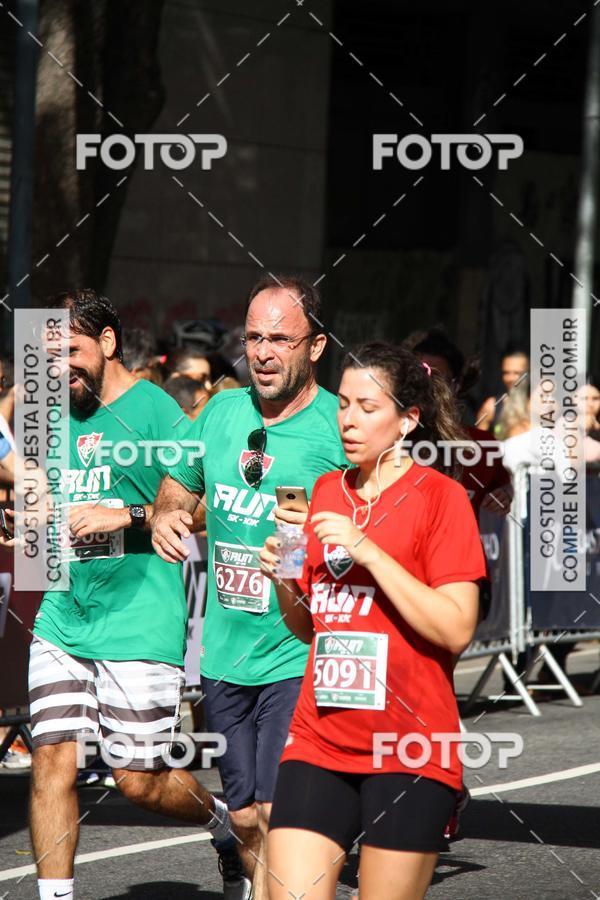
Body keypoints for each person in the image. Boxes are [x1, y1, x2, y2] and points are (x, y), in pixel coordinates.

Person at [21, 289, 247, 900]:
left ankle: (225, 825)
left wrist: (124, 513)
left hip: (140, 616)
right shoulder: (49, 412)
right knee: (50, 760)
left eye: (69, 351)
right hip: (64, 615)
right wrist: (27, 518)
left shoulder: (155, 413)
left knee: (139, 781)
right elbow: (43, 496)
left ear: (108, 343)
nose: (57, 369)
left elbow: (205, 509)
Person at [260, 343, 486, 900]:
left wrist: (372, 553)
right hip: (320, 739)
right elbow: (307, 627)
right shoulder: (323, 492)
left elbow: (457, 628)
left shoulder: (441, 498)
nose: (348, 420)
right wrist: (284, 574)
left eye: (367, 406)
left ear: (408, 420)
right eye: (342, 404)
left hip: (407, 745)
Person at [151, 273, 348, 900]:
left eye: (279, 340)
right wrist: (167, 513)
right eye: (253, 337)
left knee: (274, 812)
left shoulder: (336, 425)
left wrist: (324, 550)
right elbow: (181, 484)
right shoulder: (222, 410)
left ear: (314, 348)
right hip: (225, 651)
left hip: (301, 649)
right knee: (242, 818)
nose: (261, 352)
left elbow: (373, 520)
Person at [476, 347, 529, 433]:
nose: (510, 378)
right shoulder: (491, 406)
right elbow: (478, 443)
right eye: (506, 373)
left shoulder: (538, 405)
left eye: (517, 373)